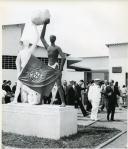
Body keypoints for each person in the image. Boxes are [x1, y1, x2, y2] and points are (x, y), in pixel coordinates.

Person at [40, 19, 66, 106]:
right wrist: (45, 25)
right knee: (43, 84)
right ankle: (40, 101)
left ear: (54, 39)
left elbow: (64, 57)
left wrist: (61, 69)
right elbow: (42, 37)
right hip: (49, 66)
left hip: (55, 66)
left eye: (52, 37)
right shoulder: (48, 47)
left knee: (58, 85)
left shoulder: (57, 48)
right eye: (50, 37)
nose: (50, 38)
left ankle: (63, 102)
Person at [12, 23, 39, 103]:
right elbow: (16, 61)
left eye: (27, 42)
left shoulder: (29, 51)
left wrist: (35, 27)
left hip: (27, 70)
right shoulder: (21, 52)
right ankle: (15, 99)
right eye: (25, 42)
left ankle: (32, 99)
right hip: (23, 70)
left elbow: (37, 39)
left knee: (27, 86)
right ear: (24, 43)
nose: (26, 42)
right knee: (19, 86)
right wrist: (18, 70)